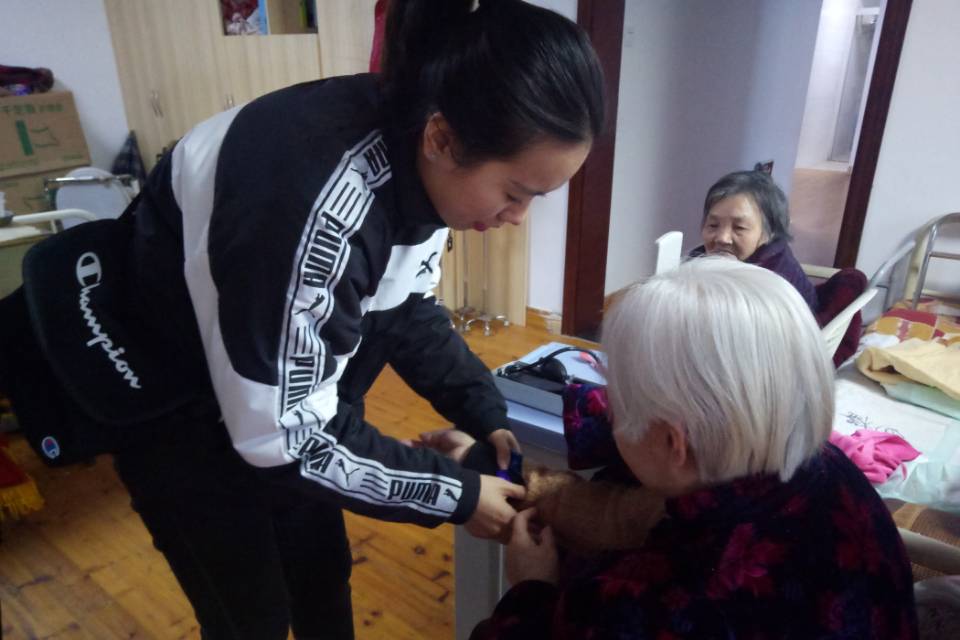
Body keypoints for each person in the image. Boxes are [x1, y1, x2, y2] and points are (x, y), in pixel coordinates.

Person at [0, 1, 605, 638]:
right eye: (515, 193)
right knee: (250, 616)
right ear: (442, 139)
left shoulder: (426, 155)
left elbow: (403, 309)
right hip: (174, 405)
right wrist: (457, 494)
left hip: (273, 387)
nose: (518, 218)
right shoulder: (305, 205)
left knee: (321, 573)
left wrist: (486, 412)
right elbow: (286, 438)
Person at [469, 258, 917, 639]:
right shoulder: (830, 471)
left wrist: (530, 589)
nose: (607, 409)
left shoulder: (648, 603)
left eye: (615, 401)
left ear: (672, 442)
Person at [692, 169, 819, 312]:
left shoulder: (773, 285)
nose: (722, 238)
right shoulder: (707, 260)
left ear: (770, 232)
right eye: (713, 225)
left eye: (739, 227)